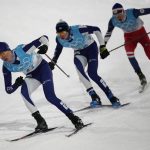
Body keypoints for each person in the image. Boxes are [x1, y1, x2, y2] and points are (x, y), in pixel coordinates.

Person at [0, 36, 84, 132]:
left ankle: (74, 118)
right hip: (31, 75)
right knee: (24, 93)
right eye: (0, 55)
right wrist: (16, 84)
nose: (3, 57)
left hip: (43, 69)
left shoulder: (23, 50)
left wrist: (45, 46)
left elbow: (43, 38)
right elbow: (8, 90)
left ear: (9, 50)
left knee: (50, 97)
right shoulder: (6, 67)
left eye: (3, 53)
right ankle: (41, 122)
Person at [49, 20, 121, 108]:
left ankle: (111, 96)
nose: (62, 35)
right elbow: (58, 49)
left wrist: (102, 46)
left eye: (63, 32)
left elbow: (97, 30)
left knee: (92, 74)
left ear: (68, 30)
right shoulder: (59, 39)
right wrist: (53, 61)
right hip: (79, 52)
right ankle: (94, 97)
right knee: (79, 68)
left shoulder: (78, 29)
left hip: (91, 49)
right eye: (59, 33)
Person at [104, 3, 150, 87]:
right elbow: (108, 33)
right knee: (129, 53)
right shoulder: (112, 21)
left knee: (149, 53)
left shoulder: (132, 12)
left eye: (120, 14)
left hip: (141, 34)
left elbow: (148, 10)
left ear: (124, 12)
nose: (119, 17)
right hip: (129, 37)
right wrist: (103, 46)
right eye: (116, 16)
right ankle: (141, 75)